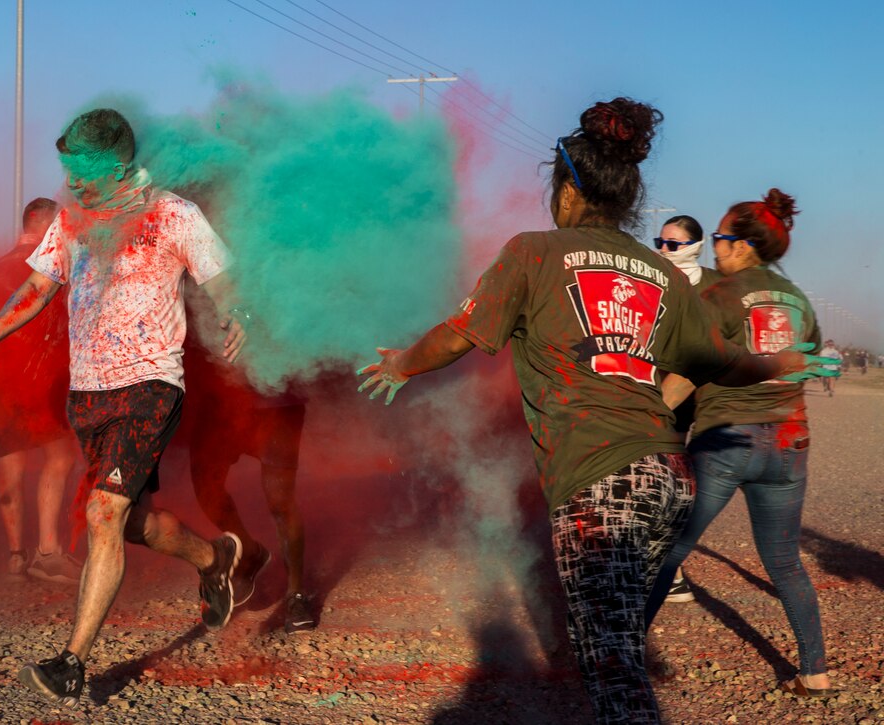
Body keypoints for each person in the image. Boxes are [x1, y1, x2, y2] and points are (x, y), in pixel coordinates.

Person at [357, 99, 835, 724]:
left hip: (598, 486)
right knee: (619, 649)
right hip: (668, 478)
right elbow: (725, 362)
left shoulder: (532, 252)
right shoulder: (661, 274)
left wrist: (400, 366)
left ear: (567, 191)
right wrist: (784, 364)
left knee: (614, 677)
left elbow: (456, 335)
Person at [0, 109, 248, 706]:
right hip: (87, 394)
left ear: (118, 166)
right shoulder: (71, 220)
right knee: (129, 523)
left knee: (100, 514)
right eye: (67, 170)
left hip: (150, 384)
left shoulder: (174, 214)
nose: (72, 183)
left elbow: (224, 278)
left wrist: (234, 313)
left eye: (83, 172)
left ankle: (72, 664)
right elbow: (41, 285)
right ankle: (214, 555)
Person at [646, 189, 834, 699]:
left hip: (727, 440)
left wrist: (648, 414)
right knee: (785, 560)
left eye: (723, 240)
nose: (716, 250)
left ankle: (622, 654)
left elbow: (687, 371)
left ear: (745, 246)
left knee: (670, 550)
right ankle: (814, 671)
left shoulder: (719, 296)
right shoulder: (797, 299)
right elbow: (811, 358)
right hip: (790, 442)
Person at [0, 197, 80, 584]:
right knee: (60, 458)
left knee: (12, 466)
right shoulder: (49, 265)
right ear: (45, 224)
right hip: (43, 382)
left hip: (3, 386)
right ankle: (48, 551)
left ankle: (15, 556)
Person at [185, 342, 315, 633]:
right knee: (205, 484)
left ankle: (296, 595)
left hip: (277, 397)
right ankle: (249, 552)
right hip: (220, 393)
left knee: (280, 502)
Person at [652, 213, 719, 604]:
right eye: (659, 242)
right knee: (666, 481)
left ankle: (668, 570)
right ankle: (667, 571)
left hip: (702, 397)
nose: (663, 250)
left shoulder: (714, 285)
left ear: (694, 246)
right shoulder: (652, 277)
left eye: (673, 244)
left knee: (688, 488)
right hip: (660, 392)